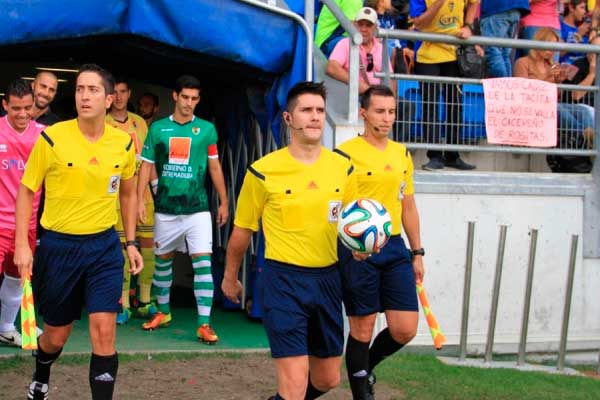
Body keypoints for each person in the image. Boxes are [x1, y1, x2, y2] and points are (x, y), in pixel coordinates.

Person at [14, 63, 143, 400]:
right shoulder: (51, 138)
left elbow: (129, 193)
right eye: (80, 89)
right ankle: (42, 371)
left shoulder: (124, 144)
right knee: (56, 334)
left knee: (104, 330)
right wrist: (23, 245)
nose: (85, 96)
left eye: (93, 90)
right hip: (59, 247)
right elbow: (28, 191)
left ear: (109, 98)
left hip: (103, 247)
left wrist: (130, 242)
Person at [222, 81, 357, 400]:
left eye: (320, 110)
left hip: (327, 280)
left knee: (327, 380)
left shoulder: (343, 167)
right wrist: (230, 277)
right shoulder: (263, 171)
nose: (314, 117)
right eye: (306, 110)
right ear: (287, 118)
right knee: (295, 386)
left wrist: (363, 248)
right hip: (282, 281)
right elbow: (242, 231)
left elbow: (350, 224)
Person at [335, 85, 424, 400]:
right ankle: (361, 392)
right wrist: (353, 246)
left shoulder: (401, 153)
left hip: (395, 246)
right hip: (358, 249)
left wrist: (417, 252)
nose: (386, 118)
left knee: (405, 329)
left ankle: (364, 367)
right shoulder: (345, 153)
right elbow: (340, 208)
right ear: (364, 113)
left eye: (391, 112)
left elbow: (408, 205)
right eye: (379, 111)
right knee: (362, 327)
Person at [137, 74, 228, 344]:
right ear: (175, 96)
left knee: (202, 263)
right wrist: (141, 197)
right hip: (165, 208)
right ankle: (163, 313)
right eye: (185, 97)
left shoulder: (207, 130)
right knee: (163, 262)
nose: (189, 103)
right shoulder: (158, 130)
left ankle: (204, 323)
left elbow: (214, 165)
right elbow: (146, 165)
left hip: (197, 208)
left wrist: (223, 200)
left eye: (195, 98)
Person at [106, 78, 156, 325]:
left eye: (123, 91)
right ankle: (122, 303)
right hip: (115, 196)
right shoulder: (103, 122)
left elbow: (147, 161)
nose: (118, 96)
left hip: (142, 194)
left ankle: (145, 301)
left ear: (129, 94)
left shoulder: (139, 123)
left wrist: (148, 194)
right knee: (123, 250)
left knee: (148, 246)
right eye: (114, 92)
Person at [0, 79, 46, 347]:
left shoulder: (44, 136)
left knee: (17, 277)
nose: (22, 114)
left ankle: (6, 327)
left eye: (27, 108)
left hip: (27, 224)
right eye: (15, 108)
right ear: (5, 104)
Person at [410, 0, 478, 170]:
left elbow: (473, 4)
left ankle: (453, 154)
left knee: (455, 105)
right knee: (430, 105)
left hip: (454, 53)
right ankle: (434, 156)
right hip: (427, 53)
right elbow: (419, 22)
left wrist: (468, 26)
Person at [513, 27, 595, 149]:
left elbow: (558, 94)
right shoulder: (523, 62)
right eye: (548, 46)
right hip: (532, 106)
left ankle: (591, 138)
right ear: (539, 43)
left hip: (550, 103)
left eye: (554, 47)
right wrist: (547, 77)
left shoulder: (553, 65)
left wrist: (559, 81)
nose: (551, 51)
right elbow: (522, 91)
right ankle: (584, 137)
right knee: (557, 109)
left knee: (582, 110)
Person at [327, 7, 396, 96]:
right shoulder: (345, 43)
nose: (363, 29)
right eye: (360, 24)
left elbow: (390, 78)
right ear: (355, 25)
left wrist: (391, 100)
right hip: (354, 96)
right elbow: (331, 67)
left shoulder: (381, 48)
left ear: (375, 27)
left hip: (378, 98)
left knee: (405, 105)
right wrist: (357, 84)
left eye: (368, 25)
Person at [479, 0, 530, 77]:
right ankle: (507, 86)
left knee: (493, 51)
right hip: (516, 8)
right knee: (504, 54)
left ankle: (502, 87)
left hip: (496, 7)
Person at [560, 0, 591, 65]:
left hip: (583, 70)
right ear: (571, 8)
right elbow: (559, 53)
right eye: (582, 8)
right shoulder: (560, 27)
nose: (584, 11)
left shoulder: (584, 29)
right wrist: (578, 35)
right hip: (566, 69)